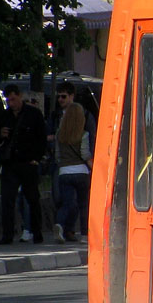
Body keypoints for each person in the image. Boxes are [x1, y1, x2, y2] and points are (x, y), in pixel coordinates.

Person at [0, 84, 48, 244]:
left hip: (28, 162)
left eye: (13, 99)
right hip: (10, 163)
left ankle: (37, 232)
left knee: (32, 198)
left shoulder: (33, 114)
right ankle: (7, 235)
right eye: (8, 100)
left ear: (19, 96)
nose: (11, 103)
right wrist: (0, 135)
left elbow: (42, 138)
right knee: (7, 200)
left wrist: (36, 158)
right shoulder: (4, 116)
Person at [54, 101, 92, 243]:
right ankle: (84, 234)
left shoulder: (59, 135)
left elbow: (57, 156)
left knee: (67, 203)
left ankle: (59, 224)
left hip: (64, 172)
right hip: (81, 172)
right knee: (83, 204)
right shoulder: (83, 134)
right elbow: (85, 154)